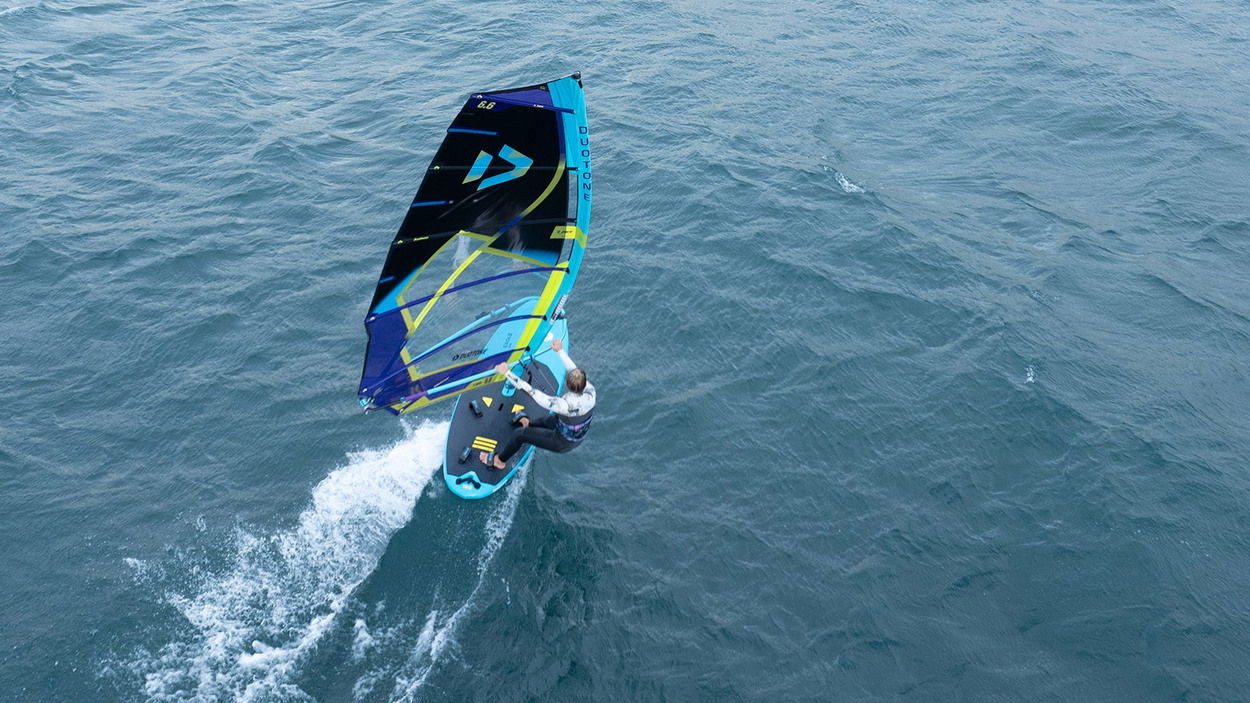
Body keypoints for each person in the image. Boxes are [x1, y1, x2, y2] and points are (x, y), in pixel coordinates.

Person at [480, 337, 595, 470]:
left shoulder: (562, 406)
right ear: (584, 382)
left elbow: (531, 391)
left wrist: (507, 373)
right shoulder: (591, 392)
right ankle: (528, 423)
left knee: (520, 434)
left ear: (568, 384)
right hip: (573, 431)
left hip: (562, 443)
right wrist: (560, 351)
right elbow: (574, 371)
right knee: (548, 420)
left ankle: (499, 461)